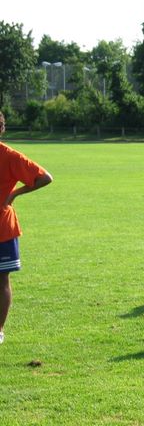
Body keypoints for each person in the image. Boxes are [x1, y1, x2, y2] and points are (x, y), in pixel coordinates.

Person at [0, 112, 53, 345]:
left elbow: (45, 177)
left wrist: (14, 193)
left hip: (2, 229)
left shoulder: (10, 156)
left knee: (1, 280)